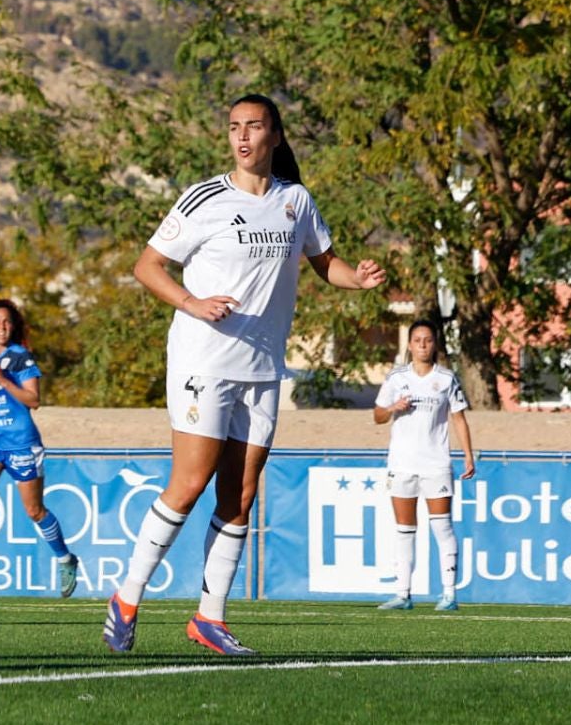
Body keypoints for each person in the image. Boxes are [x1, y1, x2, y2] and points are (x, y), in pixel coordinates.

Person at [105, 94, 385, 657]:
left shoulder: (295, 201)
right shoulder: (207, 197)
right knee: (190, 484)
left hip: (262, 369)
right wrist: (194, 302)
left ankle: (210, 618)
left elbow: (323, 261)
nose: (242, 136)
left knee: (241, 492)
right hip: (203, 361)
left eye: (253, 126)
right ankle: (127, 598)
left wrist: (358, 277)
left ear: (276, 136)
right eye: (234, 126)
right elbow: (147, 266)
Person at [0, 299, 80, 598]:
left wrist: (4, 381)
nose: (2, 327)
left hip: (22, 443)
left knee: (34, 510)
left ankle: (66, 559)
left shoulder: (22, 358)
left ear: (12, 326)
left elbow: (34, 400)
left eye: (7, 322)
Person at [373, 319, 475, 611]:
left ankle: (449, 594)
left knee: (442, 527)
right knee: (405, 529)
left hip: (436, 464)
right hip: (402, 464)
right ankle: (403, 594)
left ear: (435, 345)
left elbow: (458, 417)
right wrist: (393, 408)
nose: (422, 345)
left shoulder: (446, 378)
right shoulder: (396, 378)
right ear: (409, 345)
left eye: (428, 340)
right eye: (417, 340)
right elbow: (377, 415)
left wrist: (468, 454)